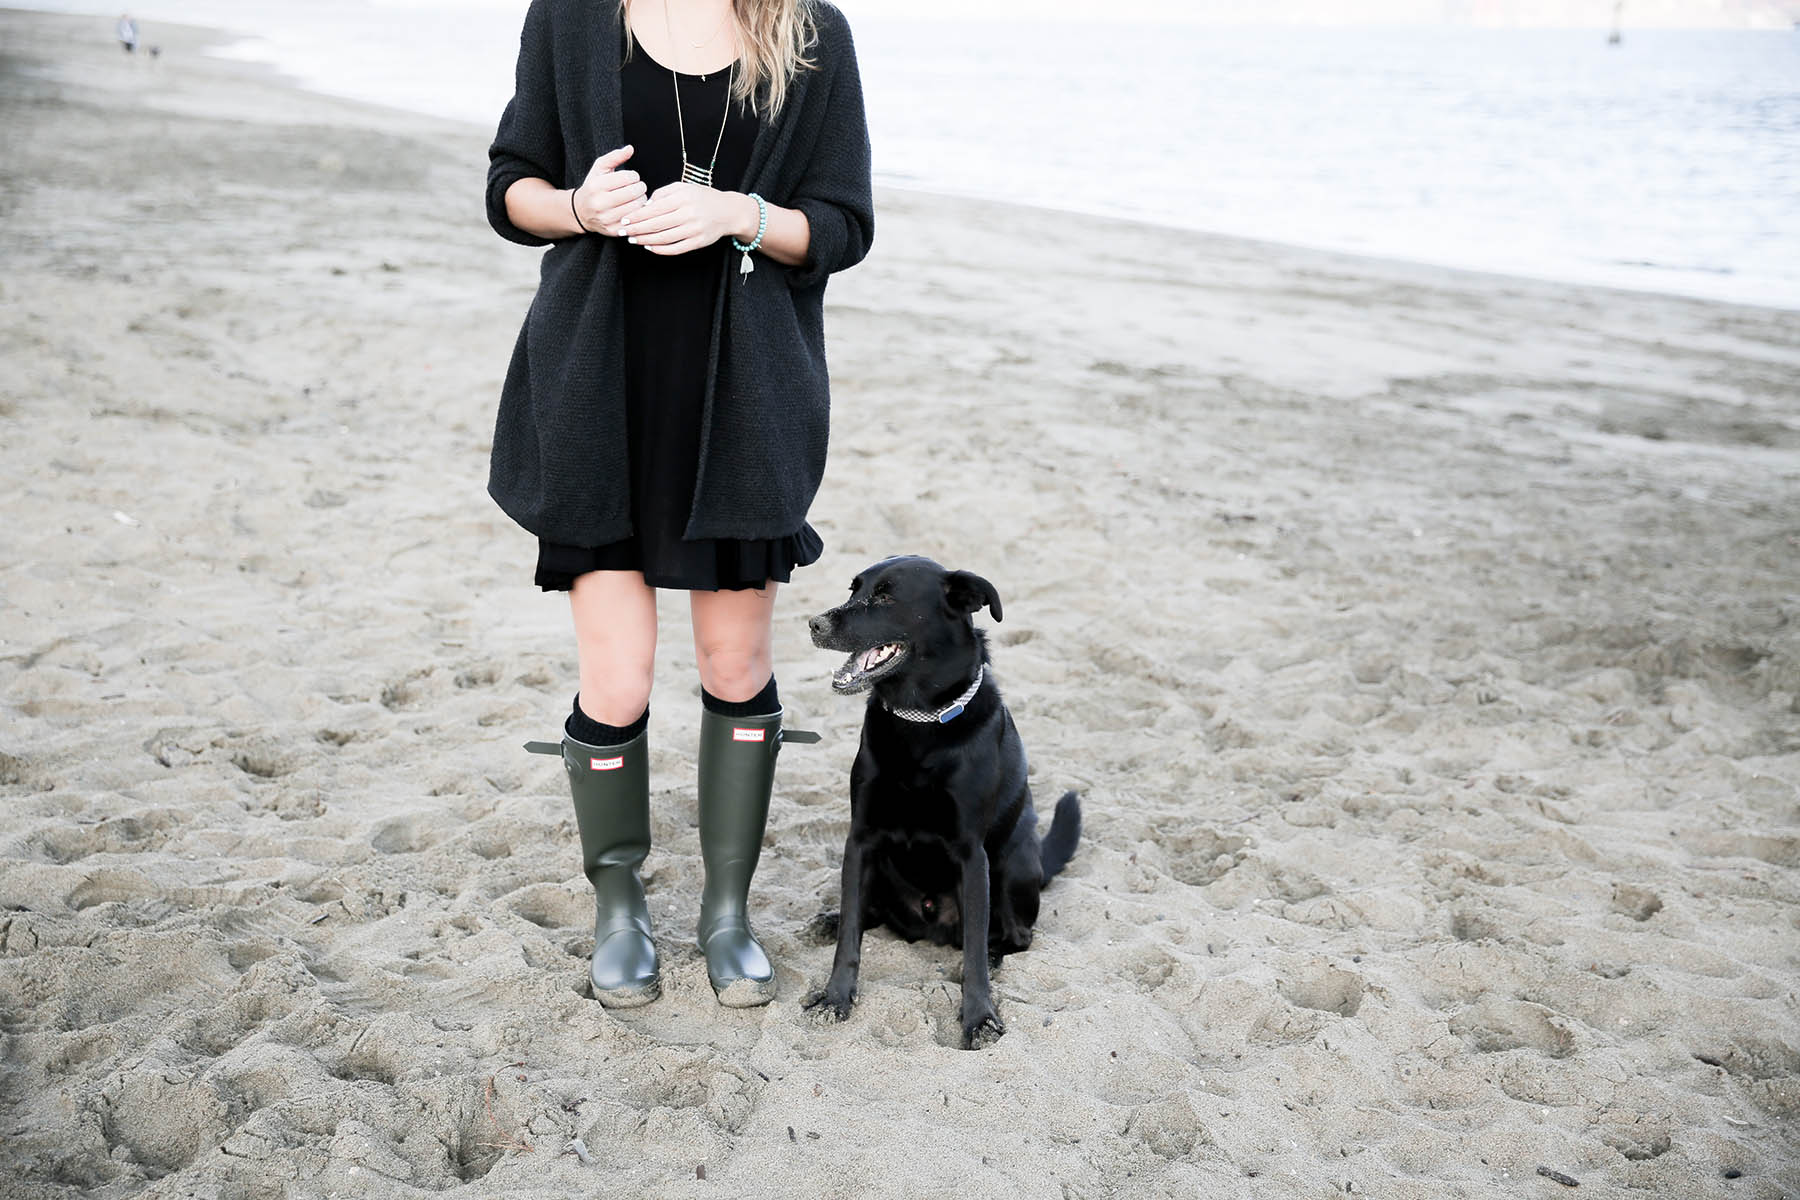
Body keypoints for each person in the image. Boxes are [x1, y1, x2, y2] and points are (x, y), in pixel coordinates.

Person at [485, 0, 872, 1010]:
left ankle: (727, 914)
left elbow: (843, 224)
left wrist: (738, 213)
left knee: (736, 666)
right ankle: (619, 907)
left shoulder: (811, 30)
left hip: (742, 405)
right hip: (594, 392)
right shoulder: (569, 17)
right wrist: (580, 208)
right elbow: (509, 184)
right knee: (615, 681)